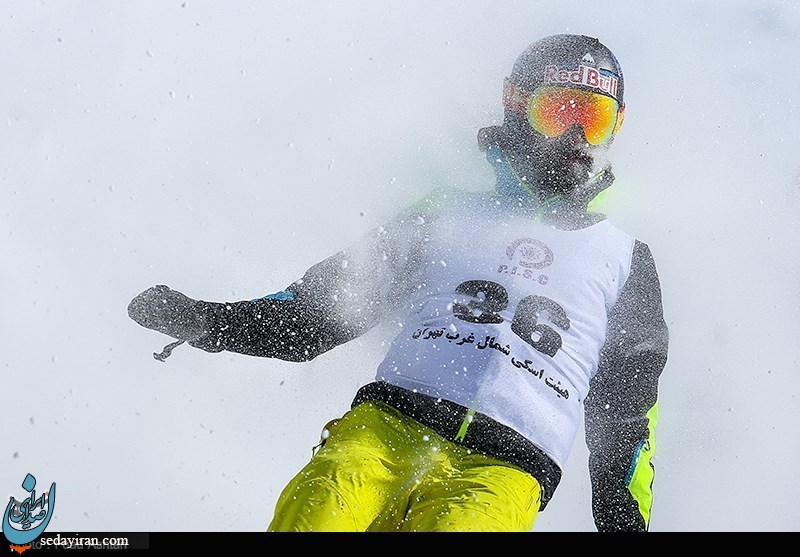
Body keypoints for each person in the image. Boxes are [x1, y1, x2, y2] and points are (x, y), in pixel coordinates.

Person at [127, 34, 669, 532]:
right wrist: (214, 322)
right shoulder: (446, 216)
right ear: (516, 104)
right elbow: (324, 309)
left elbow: (628, 404)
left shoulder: (621, 258)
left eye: (594, 119)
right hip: (386, 430)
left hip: (503, 469)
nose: (575, 136)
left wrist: (624, 520)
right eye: (559, 110)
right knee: (317, 513)